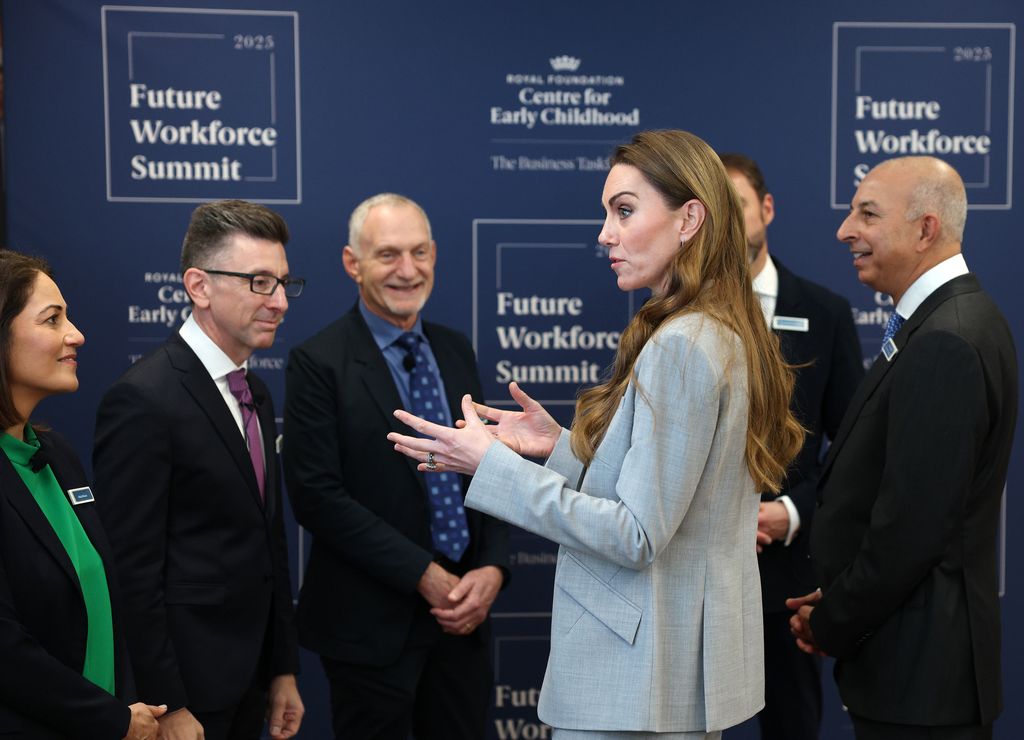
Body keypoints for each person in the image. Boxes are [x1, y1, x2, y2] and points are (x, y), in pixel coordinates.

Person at [389, 130, 804, 739]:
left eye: (625, 211)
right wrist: (557, 447)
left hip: (638, 682)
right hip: (659, 678)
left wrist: (495, 468)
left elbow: (636, 534)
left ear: (690, 218)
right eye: (607, 214)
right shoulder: (714, 330)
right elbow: (664, 502)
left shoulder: (684, 345)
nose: (605, 234)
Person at [788, 156, 1017, 739]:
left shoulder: (948, 341)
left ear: (925, 229)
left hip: (922, 685)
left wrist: (833, 621)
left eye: (867, 213)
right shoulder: (944, 324)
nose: (844, 231)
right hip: (911, 673)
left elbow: (911, 531)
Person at [283, 193, 509, 739]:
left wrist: (493, 568)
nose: (407, 271)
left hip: (464, 621)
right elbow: (317, 496)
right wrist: (424, 575)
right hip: (370, 628)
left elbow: (491, 467)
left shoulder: (456, 350)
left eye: (419, 252)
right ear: (352, 263)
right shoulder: (318, 362)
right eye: (387, 255)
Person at [92, 201, 305, 740]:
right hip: (186, 697)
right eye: (259, 282)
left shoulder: (253, 389)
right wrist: (168, 704)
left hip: (250, 683)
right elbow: (131, 574)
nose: (279, 301)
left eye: (282, 282)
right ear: (199, 286)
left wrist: (281, 667)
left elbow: (267, 539)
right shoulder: (142, 399)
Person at [719, 153, 864, 740]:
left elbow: (853, 447)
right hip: (699, 570)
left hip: (789, 570)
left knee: (792, 725)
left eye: (741, 207)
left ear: (767, 209)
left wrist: (791, 513)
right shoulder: (676, 311)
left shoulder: (825, 312)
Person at [0, 250, 165, 739]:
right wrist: (111, 719)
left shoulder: (55, 453)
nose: (77, 335)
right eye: (53, 320)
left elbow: (104, 606)